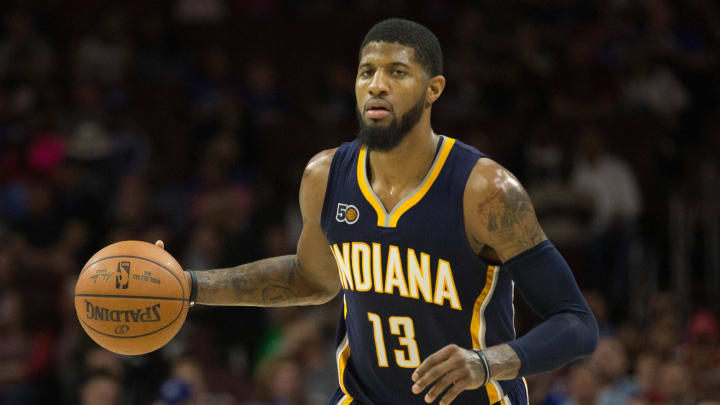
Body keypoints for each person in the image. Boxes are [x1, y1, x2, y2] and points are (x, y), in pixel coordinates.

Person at [157, 18, 598, 405]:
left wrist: (487, 363)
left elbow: (576, 323)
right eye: (366, 71)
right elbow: (311, 279)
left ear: (433, 90)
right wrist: (190, 285)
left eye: (397, 72)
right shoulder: (325, 175)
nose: (377, 84)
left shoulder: (484, 190)